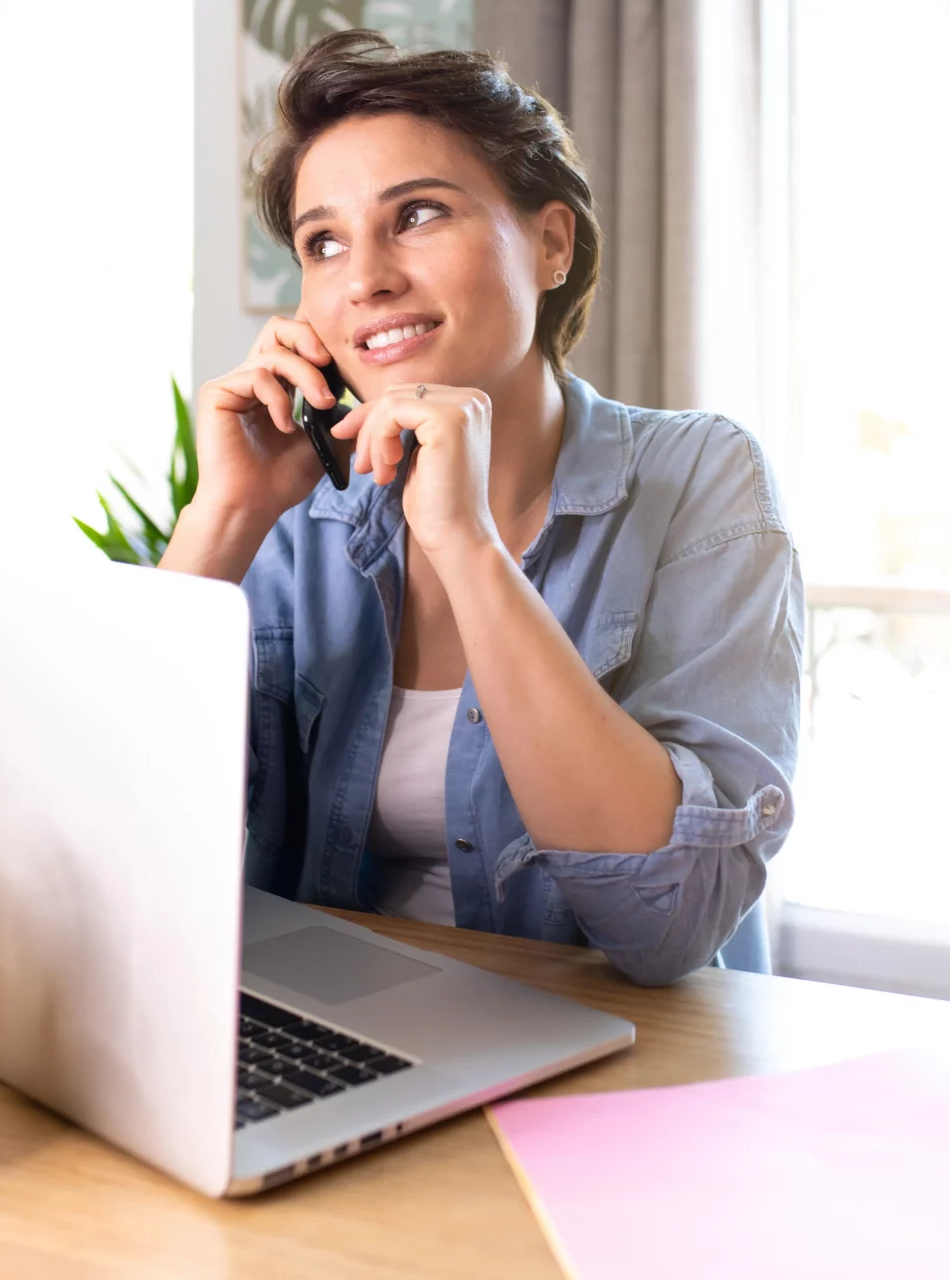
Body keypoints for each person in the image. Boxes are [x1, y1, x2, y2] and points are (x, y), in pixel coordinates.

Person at [160, 30, 801, 986]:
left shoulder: (704, 480)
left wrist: (466, 544)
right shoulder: (294, 514)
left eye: (416, 214)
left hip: (614, 1066)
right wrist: (222, 519)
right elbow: (89, 840)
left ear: (550, 244)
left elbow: (666, 930)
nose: (365, 277)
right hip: (336, 1037)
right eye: (323, 242)